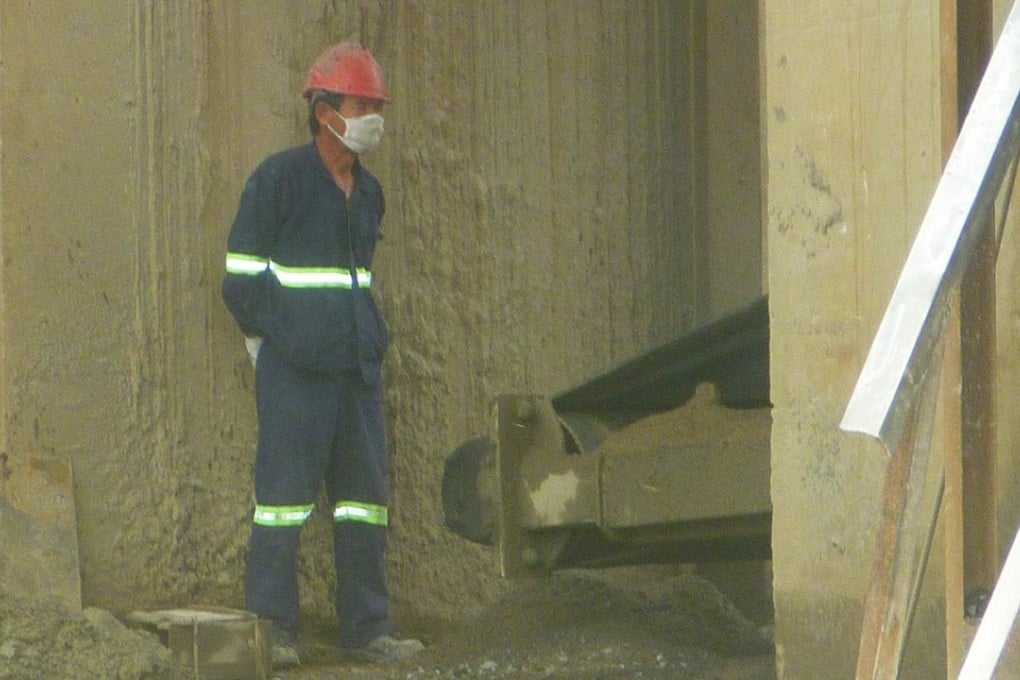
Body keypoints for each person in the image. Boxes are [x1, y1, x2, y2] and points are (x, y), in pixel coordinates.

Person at [221, 42, 423, 669]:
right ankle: (274, 630)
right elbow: (240, 277)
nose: (373, 117)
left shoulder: (369, 193)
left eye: (375, 106)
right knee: (283, 501)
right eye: (363, 104)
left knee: (364, 501)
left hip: (355, 369)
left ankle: (367, 629)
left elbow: (355, 280)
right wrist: (272, 343)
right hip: (295, 372)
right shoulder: (277, 180)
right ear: (325, 110)